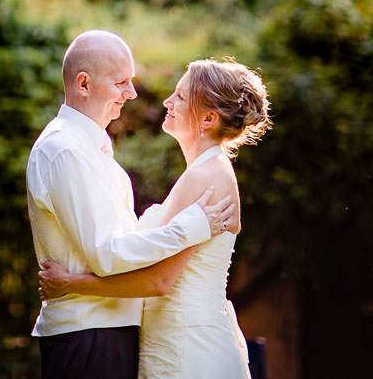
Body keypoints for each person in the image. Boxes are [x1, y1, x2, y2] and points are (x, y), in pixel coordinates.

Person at [37, 58, 273, 379]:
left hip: (187, 349)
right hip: (173, 340)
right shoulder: (204, 171)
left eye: (180, 96)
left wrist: (69, 284)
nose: (167, 102)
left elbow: (159, 281)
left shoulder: (206, 177)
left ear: (207, 118)